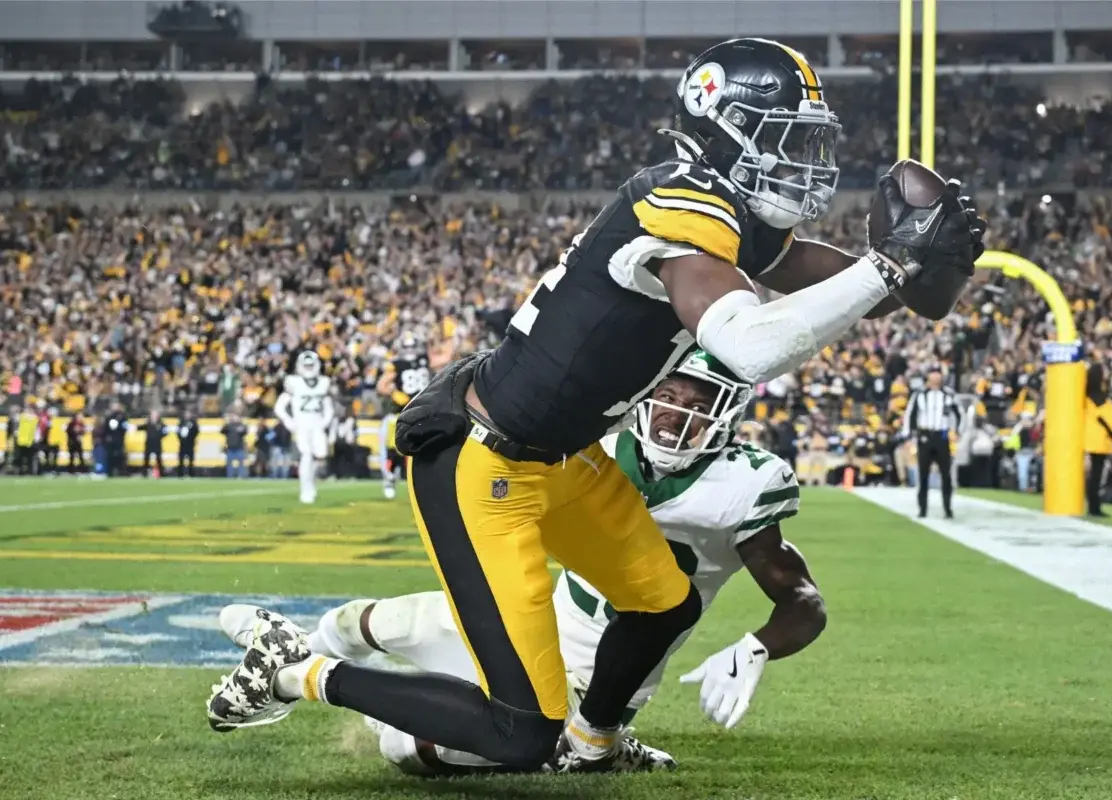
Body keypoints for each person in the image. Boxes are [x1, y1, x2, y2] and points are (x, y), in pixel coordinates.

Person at [208, 37, 984, 772]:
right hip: (484, 464)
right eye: (786, 138)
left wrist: (927, 265)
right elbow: (750, 346)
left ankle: (595, 742)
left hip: (565, 457)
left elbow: (847, 289)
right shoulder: (679, 200)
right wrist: (891, 264)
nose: (805, 161)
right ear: (724, 132)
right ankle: (300, 671)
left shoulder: (733, 219)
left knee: (664, 602)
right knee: (517, 732)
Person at [216, 353, 824, 773]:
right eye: (666, 396)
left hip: (592, 679)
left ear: (730, 409)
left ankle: (598, 738)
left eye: (698, 401)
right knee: (361, 621)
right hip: (531, 618)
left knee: (407, 748)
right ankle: (290, 651)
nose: (675, 414)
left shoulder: (744, 484)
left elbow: (802, 600)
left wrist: (756, 647)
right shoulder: (598, 444)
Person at [273, 350, 334, 503]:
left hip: (317, 425)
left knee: (318, 457)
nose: (308, 368)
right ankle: (305, 490)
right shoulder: (293, 382)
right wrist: (289, 421)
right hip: (301, 425)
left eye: (311, 365)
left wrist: (325, 421)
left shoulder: (323, 382)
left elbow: (328, 406)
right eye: (305, 365)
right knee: (306, 456)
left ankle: (310, 486)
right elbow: (279, 407)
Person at [902, 367, 963, 518]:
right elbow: (910, 414)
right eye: (933, 374)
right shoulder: (919, 394)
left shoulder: (949, 394)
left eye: (938, 374)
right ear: (928, 376)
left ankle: (948, 508)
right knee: (923, 475)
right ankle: (922, 509)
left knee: (946, 475)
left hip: (942, 436)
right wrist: (909, 436)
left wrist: (958, 431)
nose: (935, 377)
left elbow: (960, 413)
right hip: (925, 436)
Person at [1084, 363, 1112, 518]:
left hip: (1086, 439)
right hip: (1100, 441)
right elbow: (1111, 422)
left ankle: (1092, 505)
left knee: (1091, 476)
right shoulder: (1103, 400)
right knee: (1096, 477)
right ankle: (1094, 507)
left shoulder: (1085, 397)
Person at [103, 403, 129, 477]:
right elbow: (106, 429)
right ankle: (110, 472)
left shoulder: (122, 416)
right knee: (110, 456)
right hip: (111, 441)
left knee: (120, 456)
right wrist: (107, 437)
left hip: (119, 440)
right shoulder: (109, 417)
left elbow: (125, 427)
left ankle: (121, 472)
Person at [221, 412, 249, 479]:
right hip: (230, 448)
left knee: (240, 463)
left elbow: (245, 432)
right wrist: (226, 423)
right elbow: (222, 431)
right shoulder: (228, 426)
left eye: (236, 417)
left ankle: (240, 476)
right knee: (229, 464)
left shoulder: (241, 425)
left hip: (239, 448)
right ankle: (230, 476)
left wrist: (243, 425)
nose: (234, 418)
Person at [141, 410, 166, 478]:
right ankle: (144, 474)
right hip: (149, 443)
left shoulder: (161, 424)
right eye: (153, 415)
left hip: (157, 443)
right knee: (146, 459)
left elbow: (165, 432)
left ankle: (162, 474)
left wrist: (160, 436)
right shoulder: (148, 423)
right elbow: (140, 427)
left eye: (155, 415)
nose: (154, 416)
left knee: (159, 459)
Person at [176, 410, 198, 478]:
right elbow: (177, 432)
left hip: (190, 445)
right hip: (182, 445)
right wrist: (181, 438)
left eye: (188, 414)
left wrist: (191, 438)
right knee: (181, 460)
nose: (187, 415)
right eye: (186, 414)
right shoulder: (181, 422)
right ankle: (180, 475)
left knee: (191, 461)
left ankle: (191, 474)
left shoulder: (193, 423)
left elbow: (196, 431)